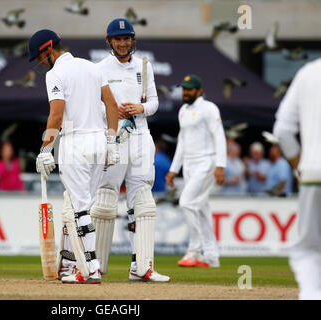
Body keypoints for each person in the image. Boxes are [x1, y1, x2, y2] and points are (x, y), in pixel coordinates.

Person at [30, 29, 119, 284]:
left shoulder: (55, 74)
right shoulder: (92, 67)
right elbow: (111, 105)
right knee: (80, 205)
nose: (38, 62)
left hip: (74, 144)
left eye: (38, 56)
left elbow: (56, 115)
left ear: (48, 50)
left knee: (79, 208)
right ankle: (69, 263)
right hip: (99, 141)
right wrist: (111, 142)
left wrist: (45, 149)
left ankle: (90, 268)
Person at [89, 18, 169, 282]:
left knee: (143, 200)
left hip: (141, 137)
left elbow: (155, 101)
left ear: (132, 40)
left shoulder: (145, 67)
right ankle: (95, 266)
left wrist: (141, 108)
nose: (122, 43)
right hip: (113, 137)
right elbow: (94, 106)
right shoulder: (99, 68)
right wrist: (113, 109)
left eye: (126, 38)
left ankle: (142, 266)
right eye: (117, 39)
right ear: (109, 41)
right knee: (105, 198)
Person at [165, 74, 226, 268]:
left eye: (189, 89)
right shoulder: (183, 110)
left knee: (186, 203)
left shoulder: (209, 108)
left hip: (206, 162)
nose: (186, 92)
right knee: (201, 209)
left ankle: (194, 251)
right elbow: (182, 142)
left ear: (199, 91)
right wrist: (174, 169)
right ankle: (211, 256)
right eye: (184, 89)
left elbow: (219, 136)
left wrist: (220, 165)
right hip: (190, 165)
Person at [273, 58, 321, 299]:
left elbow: (282, 130)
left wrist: (299, 166)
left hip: (314, 174)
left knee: (310, 250)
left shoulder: (308, 72)